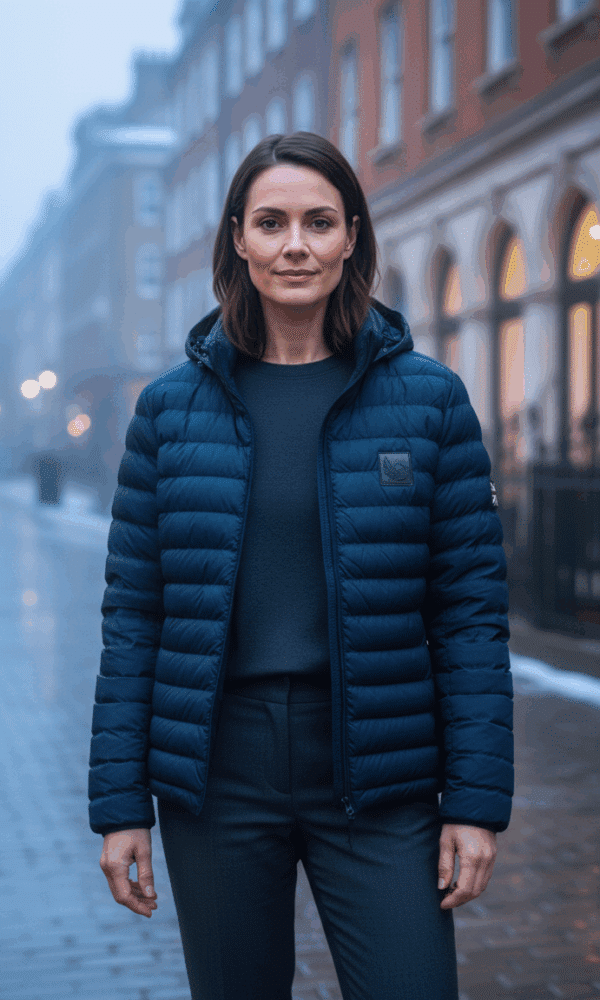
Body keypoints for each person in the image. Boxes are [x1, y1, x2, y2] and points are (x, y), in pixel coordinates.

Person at [89, 131, 514, 1000]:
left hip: (382, 769)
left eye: (319, 222)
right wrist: (121, 806)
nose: (295, 245)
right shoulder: (169, 412)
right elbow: (135, 613)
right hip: (218, 776)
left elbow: (469, 611)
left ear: (351, 236)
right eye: (272, 222)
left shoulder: (429, 401)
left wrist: (474, 801)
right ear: (237, 238)